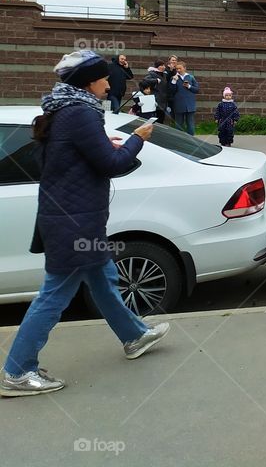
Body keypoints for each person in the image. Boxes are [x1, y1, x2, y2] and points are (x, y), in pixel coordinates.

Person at [0, 51, 168, 398]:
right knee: (55, 294)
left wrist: (108, 146)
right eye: (104, 78)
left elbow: (77, 159)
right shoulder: (81, 114)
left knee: (103, 278)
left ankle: (134, 336)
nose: (110, 84)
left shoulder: (61, 110)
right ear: (88, 83)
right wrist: (139, 138)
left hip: (69, 216)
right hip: (75, 222)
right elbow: (110, 164)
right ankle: (17, 371)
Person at [170, 60, 200, 135]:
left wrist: (189, 86)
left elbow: (197, 90)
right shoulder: (174, 78)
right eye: (177, 69)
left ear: (184, 68)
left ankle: (191, 139)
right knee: (179, 124)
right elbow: (171, 91)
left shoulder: (191, 77)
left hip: (190, 105)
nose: (178, 70)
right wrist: (173, 81)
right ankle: (179, 139)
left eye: (180, 68)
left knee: (190, 123)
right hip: (178, 104)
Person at [145, 59, 169, 124]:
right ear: (157, 66)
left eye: (164, 65)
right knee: (155, 119)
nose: (163, 67)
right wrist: (155, 80)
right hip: (156, 100)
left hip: (163, 100)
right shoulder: (152, 74)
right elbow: (146, 80)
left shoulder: (164, 75)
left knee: (161, 119)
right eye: (161, 65)